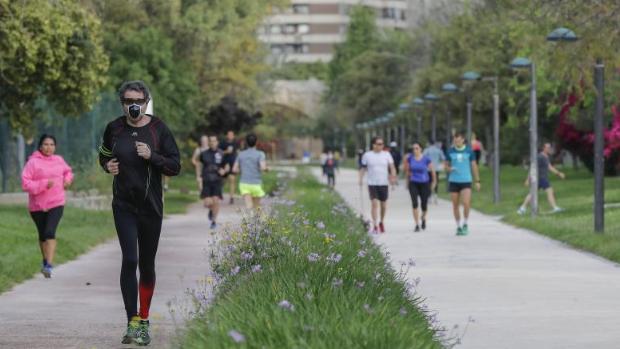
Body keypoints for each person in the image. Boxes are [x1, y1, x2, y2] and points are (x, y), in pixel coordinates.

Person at [98, 80, 181, 346]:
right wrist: (107, 165)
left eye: (138, 101)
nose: (133, 106)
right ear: (122, 103)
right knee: (129, 259)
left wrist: (152, 156)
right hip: (123, 206)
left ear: (146, 102)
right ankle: (131, 321)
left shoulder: (158, 129)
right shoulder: (114, 128)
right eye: (127, 101)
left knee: (146, 263)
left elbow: (175, 166)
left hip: (151, 208)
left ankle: (144, 321)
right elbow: (104, 153)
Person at [21, 134, 73, 278]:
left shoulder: (59, 160)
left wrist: (67, 180)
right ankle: (45, 261)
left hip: (56, 202)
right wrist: (43, 184)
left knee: (50, 232)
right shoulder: (33, 163)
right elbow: (25, 184)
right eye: (45, 144)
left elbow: (68, 172)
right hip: (37, 205)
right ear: (40, 146)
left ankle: (49, 265)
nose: (48, 147)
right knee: (42, 235)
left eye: (51, 144)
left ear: (55, 147)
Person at [444, 131, 481, 236]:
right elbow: (445, 166)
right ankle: (458, 226)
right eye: (455, 139)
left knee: (466, 203)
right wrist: (449, 168)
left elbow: (474, 166)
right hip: (454, 181)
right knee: (455, 205)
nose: (457, 141)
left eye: (459, 139)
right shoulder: (450, 151)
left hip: (466, 180)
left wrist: (477, 181)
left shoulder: (469, 151)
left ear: (463, 139)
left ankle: (465, 223)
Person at [359, 136, 397, 234]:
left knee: (383, 205)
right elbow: (363, 168)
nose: (381, 146)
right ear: (374, 145)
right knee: (374, 203)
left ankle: (381, 222)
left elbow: (392, 167)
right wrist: (360, 179)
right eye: (379, 144)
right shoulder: (367, 155)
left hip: (383, 183)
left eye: (382, 144)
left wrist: (393, 177)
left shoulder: (387, 154)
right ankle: (375, 225)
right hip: (372, 183)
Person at [517, 142, 565, 215]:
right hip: (541, 178)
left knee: (532, 193)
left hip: (539, 178)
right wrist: (559, 174)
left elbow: (547, 166)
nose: (549, 149)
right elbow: (538, 167)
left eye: (550, 147)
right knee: (549, 191)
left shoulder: (545, 156)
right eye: (547, 147)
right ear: (543, 148)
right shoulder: (541, 156)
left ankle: (522, 209)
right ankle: (555, 208)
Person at [404, 141, 437, 232]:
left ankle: (423, 218)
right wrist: (407, 182)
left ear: (421, 149)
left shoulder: (426, 159)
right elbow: (407, 171)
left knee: (424, 204)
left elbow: (432, 170)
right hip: (413, 183)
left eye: (417, 148)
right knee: (414, 203)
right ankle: (416, 224)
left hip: (424, 183)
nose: (415, 150)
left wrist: (434, 182)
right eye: (413, 148)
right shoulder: (410, 158)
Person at [198, 135, 229, 229]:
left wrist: (224, 171)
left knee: (216, 201)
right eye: (210, 141)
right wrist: (198, 176)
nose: (212, 142)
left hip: (217, 180)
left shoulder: (221, 153)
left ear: (217, 142)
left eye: (214, 141)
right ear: (208, 142)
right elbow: (199, 165)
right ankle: (211, 210)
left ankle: (214, 221)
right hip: (206, 180)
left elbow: (227, 166)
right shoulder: (203, 154)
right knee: (207, 203)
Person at [233, 133, 267, 210]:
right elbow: (263, 167)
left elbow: (234, 169)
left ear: (246, 142)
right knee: (257, 207)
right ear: (256, 142)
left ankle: (250, 220)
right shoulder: (260, 154)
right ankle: (255, 221)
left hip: (244, 183)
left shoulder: (241, 154)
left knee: (249, 206)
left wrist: (242, 170)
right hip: (256, 183)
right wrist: (266, 169)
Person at [219, 130, 239, 204]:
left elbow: (237, 153)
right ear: (227, 136)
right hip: (224, 164)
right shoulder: (223, 143)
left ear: (233, 136)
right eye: (229, 135)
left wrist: (237, 166)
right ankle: (220, 192)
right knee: (223, 181)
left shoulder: (236, 143)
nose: (230, 136)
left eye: (232, 135)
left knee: (232, 179)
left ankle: (231, 197)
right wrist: (226, 152)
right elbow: (219, 152)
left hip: (232, 164)